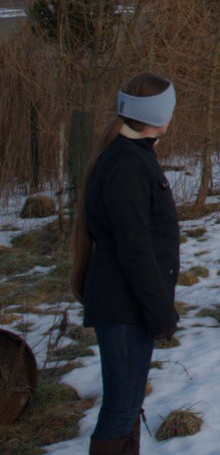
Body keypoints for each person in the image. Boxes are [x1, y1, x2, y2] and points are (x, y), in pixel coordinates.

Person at [70, 72, 180, 455]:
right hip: (124, 306)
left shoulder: (132, 156)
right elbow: (134, 247)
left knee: (128, 406)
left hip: (130, 304)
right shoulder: (127, 165)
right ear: (159, 114)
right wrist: (159, 311)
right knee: (120, 409)